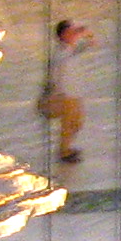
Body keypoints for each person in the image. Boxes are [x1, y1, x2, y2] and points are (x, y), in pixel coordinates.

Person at [38, 20, 90, 166]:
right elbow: (55, 72)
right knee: (68, 124)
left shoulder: (70, 49)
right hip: (66, 94)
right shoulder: (61, 53)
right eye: (71, 32)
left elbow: (89, 43)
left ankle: (66, 148)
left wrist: (83, 34)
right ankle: (65, 151)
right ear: (63, 35)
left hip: (75, 93)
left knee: (76, 123)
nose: (74, 35)